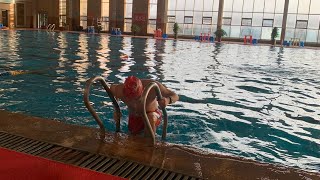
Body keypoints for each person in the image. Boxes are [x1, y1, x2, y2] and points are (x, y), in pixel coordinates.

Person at [110, 76, 179, 136]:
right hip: (135, 116)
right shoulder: (119, 90)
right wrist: (116, 109)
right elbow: (111, 89)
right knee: (133, 137)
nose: (134, 102)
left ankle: (149, 146)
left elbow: (175, 96)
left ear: (142, 90)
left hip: (152, 114)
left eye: (136, 98)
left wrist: (167, 100)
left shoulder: (152, 87)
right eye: (129, 98)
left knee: (150, 118)